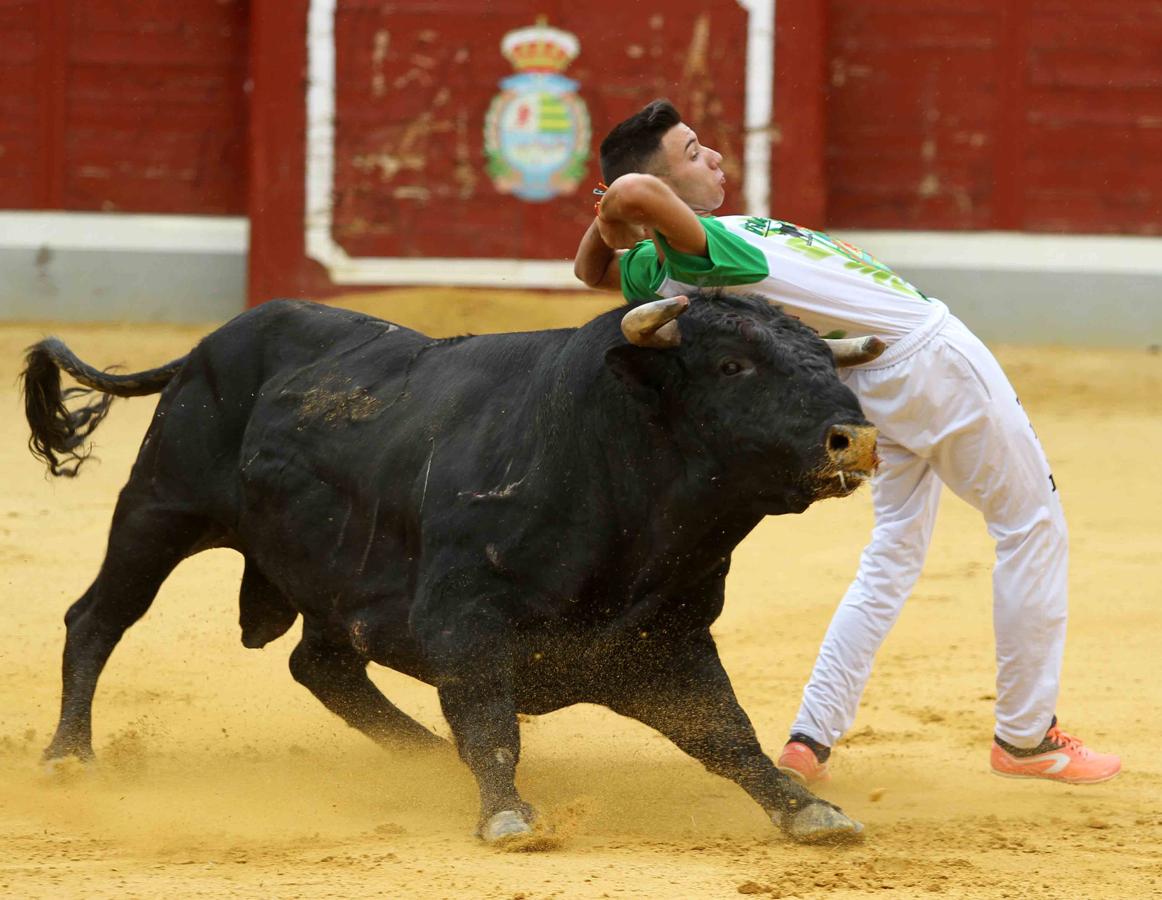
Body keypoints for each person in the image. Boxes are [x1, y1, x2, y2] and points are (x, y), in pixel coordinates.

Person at [573, 99, 1120, 786]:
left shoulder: (658, 266)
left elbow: (591, 272)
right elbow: (631, 190)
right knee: (1032, 525)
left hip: (863, 387)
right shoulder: (702, 251)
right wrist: (619, 204)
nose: (712, 155)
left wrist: (614, 223)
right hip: (934, 364)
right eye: (690, 152)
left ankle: (812, 736)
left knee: (891, 553)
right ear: (663, 192)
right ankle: (1027, 737)